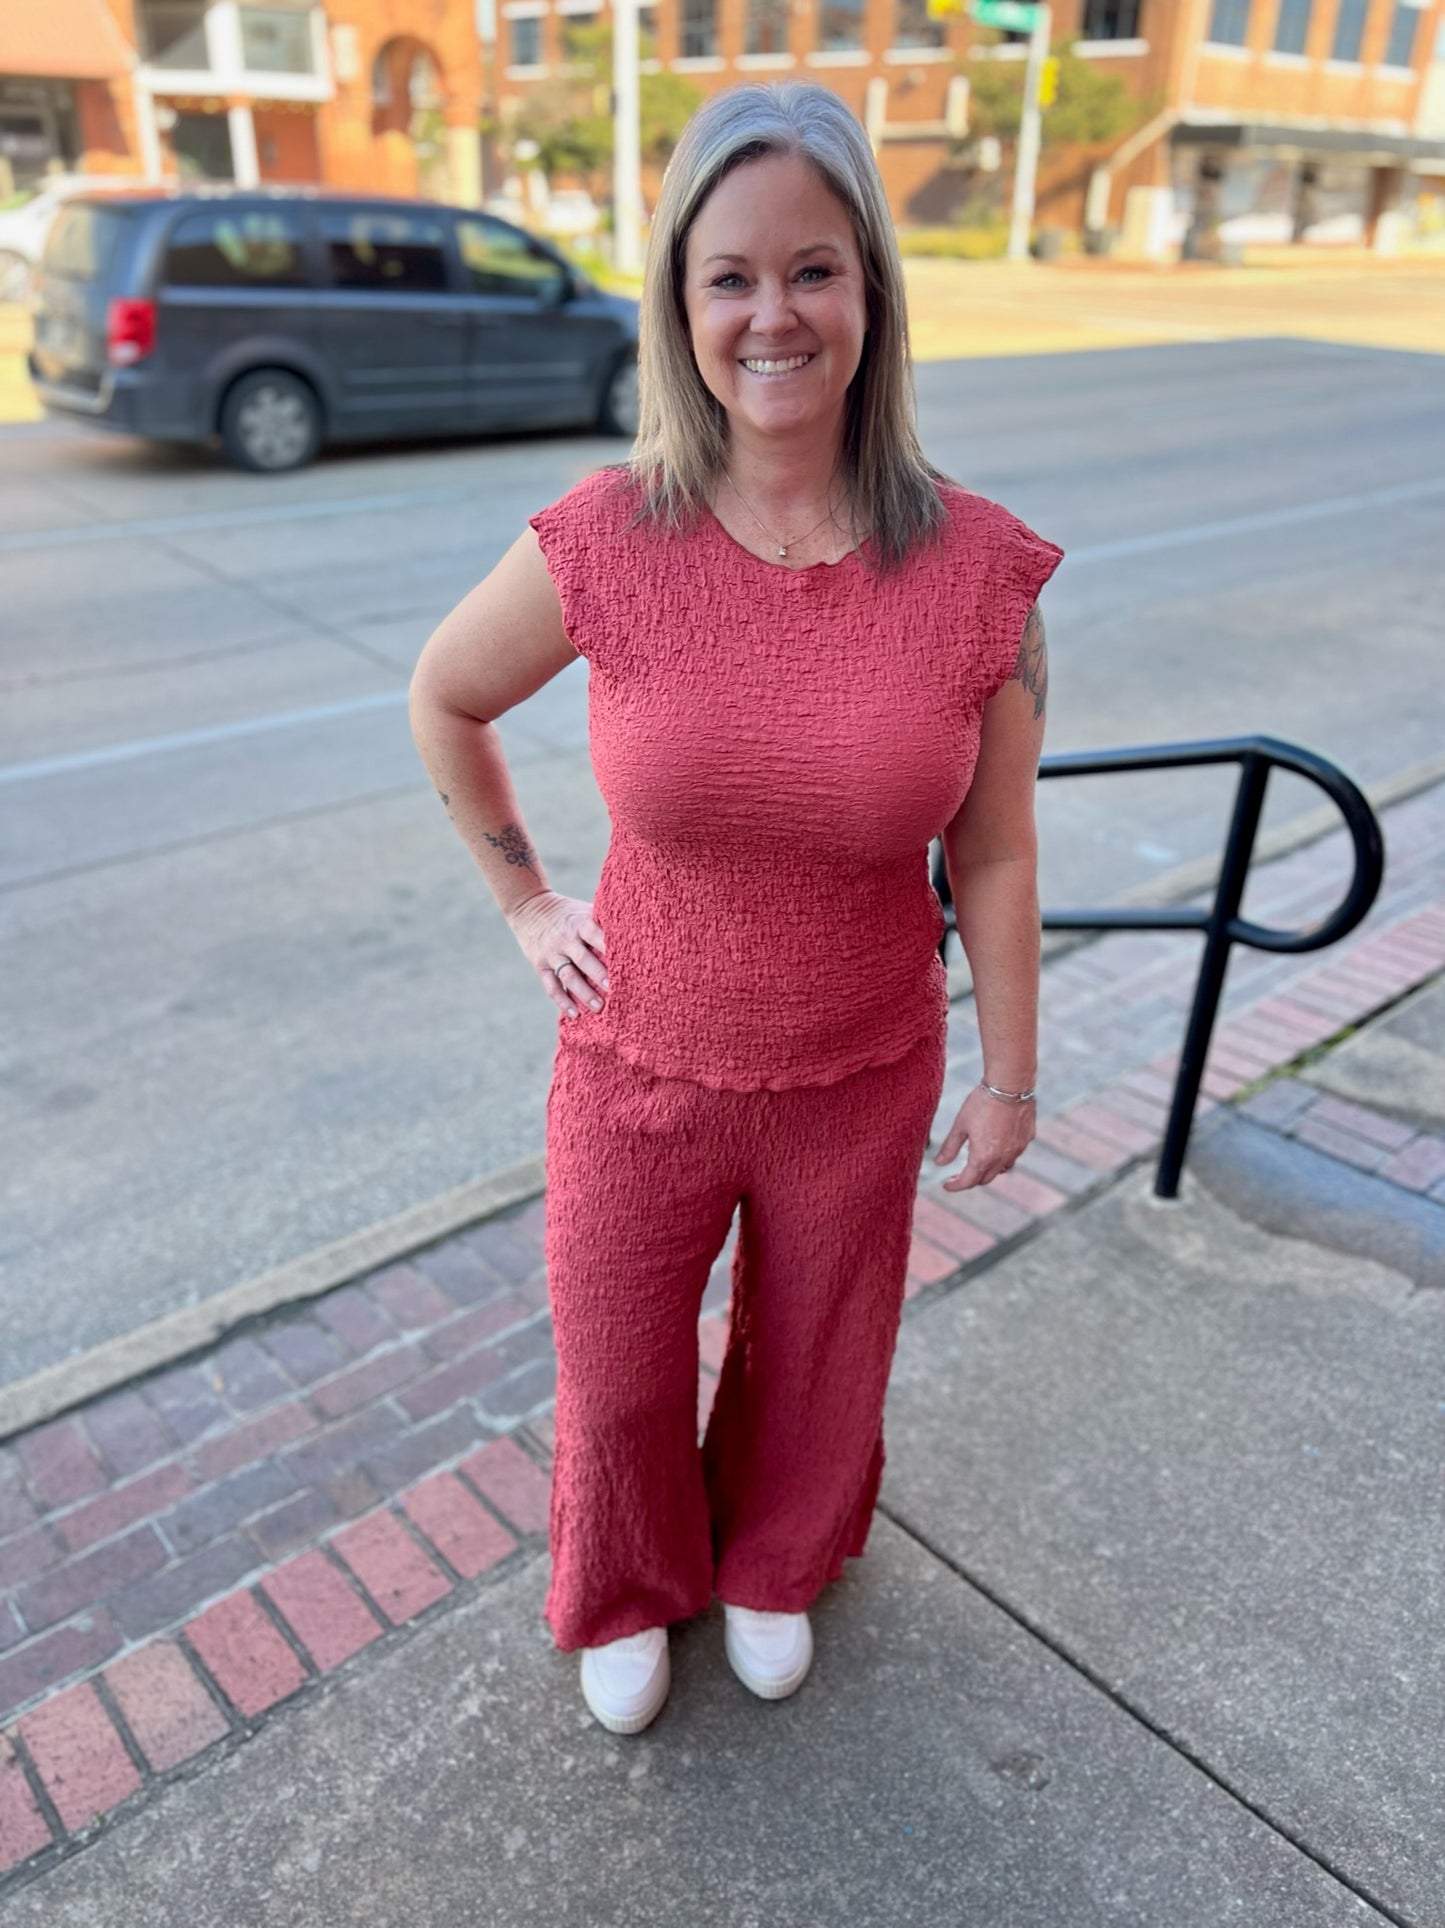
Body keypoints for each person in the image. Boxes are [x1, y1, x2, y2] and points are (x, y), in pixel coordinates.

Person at [408, 80, 1062, 1737]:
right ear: (679, 305)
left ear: (870, 295)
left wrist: (1009, 1070)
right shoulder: (607, 538)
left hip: (861, 1069)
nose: (773, 313)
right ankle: (625, 1582)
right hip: (637, 1063)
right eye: (730, 275)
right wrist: (524, 904)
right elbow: (444, 697)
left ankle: (779, 1557)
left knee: (818, 1358)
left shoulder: (978, 569)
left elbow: (991, 852)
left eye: (814, 269)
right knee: (619, 1366)